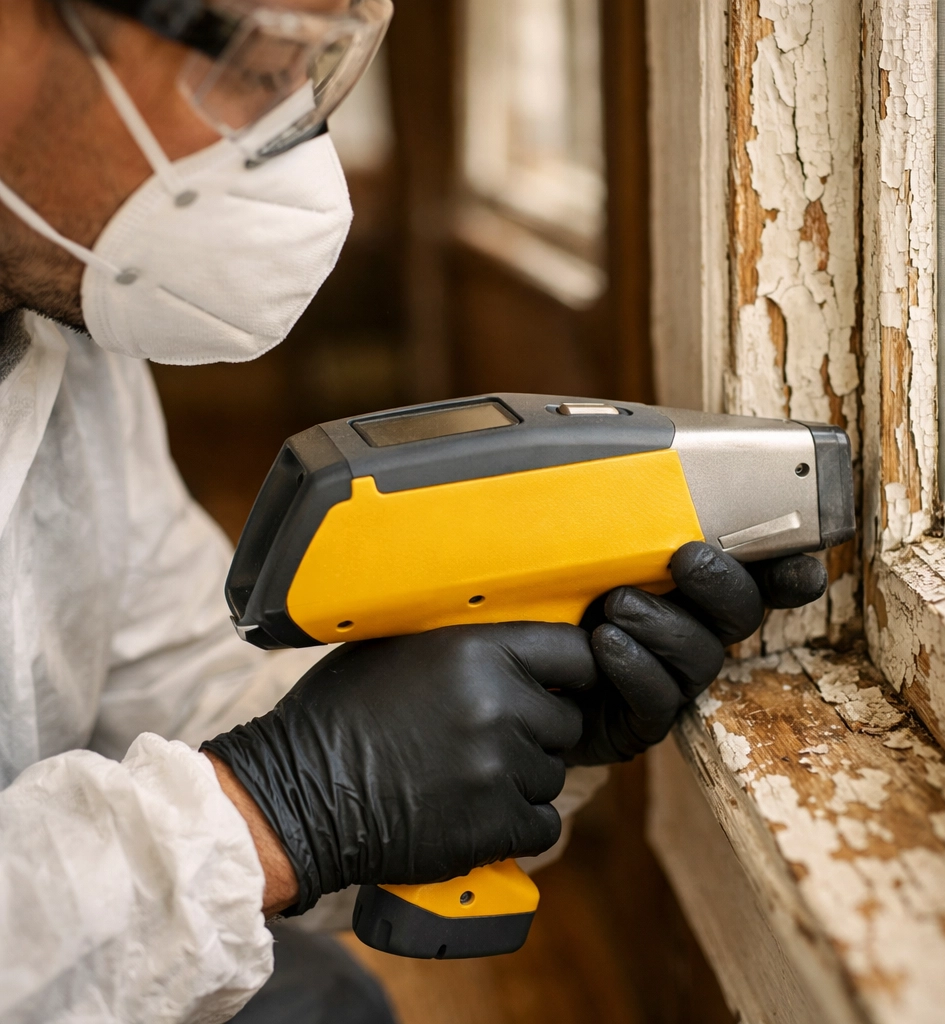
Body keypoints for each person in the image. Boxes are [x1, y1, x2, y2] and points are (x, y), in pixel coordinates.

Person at [0, 2, 829, 1022]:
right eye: (264, 68)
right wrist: (271, 810)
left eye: (328, 70)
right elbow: (255, 794)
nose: (302, 149)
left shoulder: (56, 342)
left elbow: (174, 687)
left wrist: (508, 695)